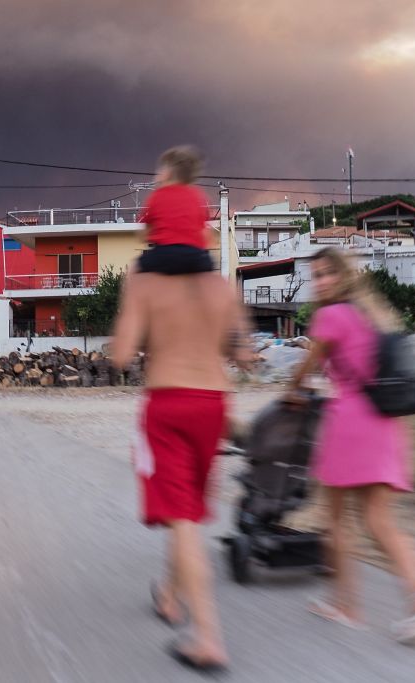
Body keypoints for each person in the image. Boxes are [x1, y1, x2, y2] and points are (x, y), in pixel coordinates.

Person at [288, 246, 415, 644]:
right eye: (317, 275)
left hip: (350, 426)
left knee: (337, 520)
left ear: (344, 275)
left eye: (327, 274)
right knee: (379, 521)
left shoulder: (329, 317)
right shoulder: (374, 314)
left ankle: (348, 606)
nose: (322, 282)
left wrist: (291, 390)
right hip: (387, 425)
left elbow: (305, 369)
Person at [111, 268, 252, 672]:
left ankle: (208, 637)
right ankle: (170, 596)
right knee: (187, 508)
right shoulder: (220, 285)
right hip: (213, 404)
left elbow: (121, 356)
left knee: (181, 514)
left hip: (169, 403)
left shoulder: (145, 281)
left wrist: (144, 322)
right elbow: (242, 355)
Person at [135, 146, 214, 275]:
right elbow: (204, 232)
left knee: (135, 270)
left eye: (160, 169)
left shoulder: (156, 196)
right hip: (193, 257)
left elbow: (145, 233)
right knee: (209, 266)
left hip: (165, 255)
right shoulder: (198, 196)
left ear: (167, 174)